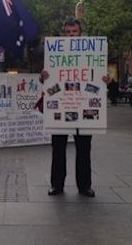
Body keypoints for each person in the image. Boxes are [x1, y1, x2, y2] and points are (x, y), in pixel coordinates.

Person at [39, 18, 96, 197]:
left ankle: (84, 185)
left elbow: (96, 74)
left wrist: (104, 80)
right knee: (58, 148)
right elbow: (46, 79)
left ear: (80, 32)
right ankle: (57, 184)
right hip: (61, 108)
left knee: (84, 149)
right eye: (68, 32)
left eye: (74, 32)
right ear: (64, 33)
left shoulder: (91, 53)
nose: (71, 35)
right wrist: (43, 77)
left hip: (82, 106)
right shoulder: (54, 53)